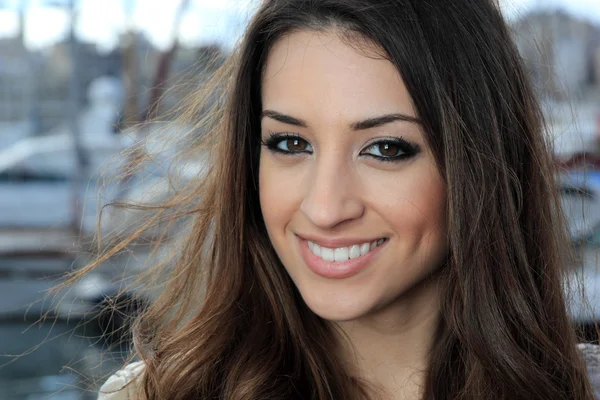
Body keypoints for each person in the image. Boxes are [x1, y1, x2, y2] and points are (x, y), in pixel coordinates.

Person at [93, 0, 600, 399]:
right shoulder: (150, 395)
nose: (325, 208)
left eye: (385, 149)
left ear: (481, 164)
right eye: (291, 144)